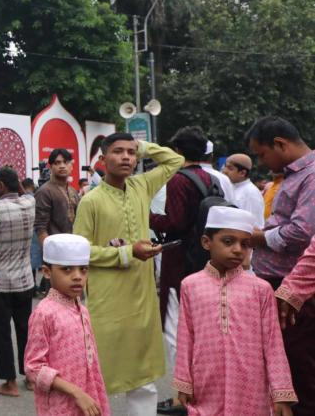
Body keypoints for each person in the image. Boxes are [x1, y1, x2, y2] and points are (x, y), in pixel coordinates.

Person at [72, 133, 183, 416]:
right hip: (108, 298)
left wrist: (142, 146)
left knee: (143, 376)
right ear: (102, 159)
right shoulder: (91, 201)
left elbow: (175, 160)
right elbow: (80, 251)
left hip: (142, 295)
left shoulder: (141, 186)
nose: (126, 157)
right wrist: (126, 252)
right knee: (100, 371)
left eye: (131, 153)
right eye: (118, 151)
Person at [173, 206, 297, 416]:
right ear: (206, 242)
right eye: (228, 242)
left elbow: (273, 344)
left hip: (251, 386)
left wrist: (281, 394)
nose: (238, 249)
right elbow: (186, 336)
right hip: (206, 382)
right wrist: (183, 381)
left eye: (245, 244)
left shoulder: (261, 289)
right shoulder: (190, 285)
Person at [245, 116, 315, 413]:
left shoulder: (311, 175)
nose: (262, 162)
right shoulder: (291, 176)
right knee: (283, 363)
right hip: (281, 283)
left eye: (262, 154)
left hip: (296, 288)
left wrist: (258, 238)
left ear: (280, 144)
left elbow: (302, 232)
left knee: (299, 366)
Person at [146, 127, 218, 415]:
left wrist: (148, 216)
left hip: (180, 262)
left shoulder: (178, 180)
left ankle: (182, 397)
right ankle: (200, 391)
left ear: (177, 151)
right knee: (202, 329)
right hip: (204, 259)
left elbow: (174, 223)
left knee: (176, 329)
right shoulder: (212, 179)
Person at [24, 234, 110, 416]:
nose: (77, 277)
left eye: (83, 270)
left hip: (88, 399)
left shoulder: (82, 311)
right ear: (47, 272)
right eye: (67, 270)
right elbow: (34, 368)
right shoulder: (44, 313)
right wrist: (76, 392)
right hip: (60, 405)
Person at [0, 167, 35, 397]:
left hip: (0, 282)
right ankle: (30, 376)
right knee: (25, 329)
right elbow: (24, 192)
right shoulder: (30, 203)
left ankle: (9, 382)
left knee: (2, 332)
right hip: (25, 279)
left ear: (2, 185)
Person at [34, 148, 80, 245]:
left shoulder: (73, 192)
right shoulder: (44, 192)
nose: (62, 166)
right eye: (57, 163)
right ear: (50, 167)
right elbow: (40, 228)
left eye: (66, 162)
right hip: (54, 249)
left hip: (73, 247)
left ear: (71, 166)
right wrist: (49, 249)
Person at [223, 153, 266, 227]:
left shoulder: (250, 193)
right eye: (225, 167)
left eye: (230, 168)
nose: (224, 171)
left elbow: (253, 224)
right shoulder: (230, 187)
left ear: (242, 173)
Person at [21, 178, 45, 296]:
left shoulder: (21, 199)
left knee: (28, 261)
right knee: (35, 260)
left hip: (26, 232)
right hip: (37, 232)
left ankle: (32, 286)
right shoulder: (36, 198)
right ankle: (38, 286)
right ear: (31, 186)